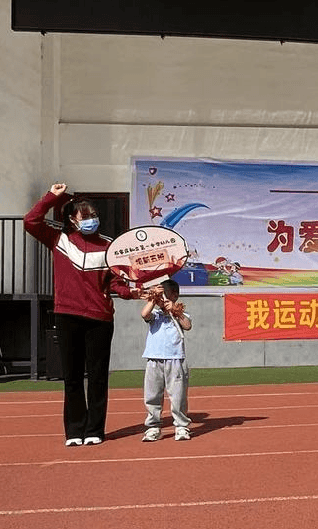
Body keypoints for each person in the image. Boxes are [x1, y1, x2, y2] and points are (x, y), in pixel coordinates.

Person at [24, 184, 138, 446]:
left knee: (97, 377)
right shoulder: (59, 239)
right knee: (72, 376)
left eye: (93, 215)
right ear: (72, 220)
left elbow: (115, 284)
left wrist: (133, 292)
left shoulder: (110, 246)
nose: (91, 220)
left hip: (100, 319)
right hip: (67, 315)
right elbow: (30, 221)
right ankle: (75, 430)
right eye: (85, 216)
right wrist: (52, 196)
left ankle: (95, 429)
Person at [139, 279, 193, 442]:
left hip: (175, 359)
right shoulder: (155, 314)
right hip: (154, 359)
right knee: (152, 394)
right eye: (160, 295)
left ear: (174, 295)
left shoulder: (180, 313)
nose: (162, 300)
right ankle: (153, 426)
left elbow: (188, 325)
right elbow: (144, 314)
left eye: (164, 295)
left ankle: (181, 426)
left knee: (178, 395)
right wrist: (153, 300)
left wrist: (176, 312)